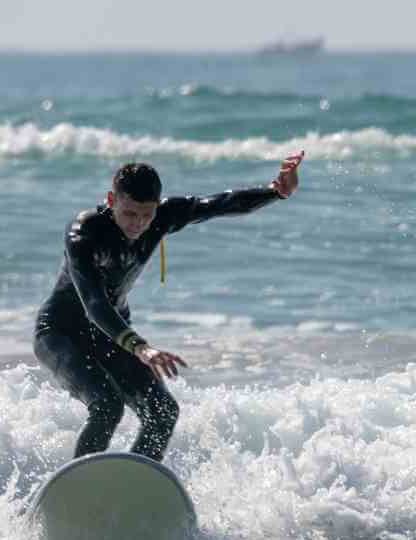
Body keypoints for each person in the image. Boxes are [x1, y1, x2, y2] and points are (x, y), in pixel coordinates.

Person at [34, 151, 305, 461]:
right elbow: (94, 303)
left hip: (109, 334)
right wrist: (141, 348)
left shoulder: (162, 217)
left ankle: (135, 484)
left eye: (146, 215)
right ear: (112, 200)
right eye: (130, 214)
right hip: (60, 332)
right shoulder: (85, 233)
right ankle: (76, 489)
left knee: (162, 412)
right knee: (107, 406)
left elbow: (217, 204)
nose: (138, 224)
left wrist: (276, 192)